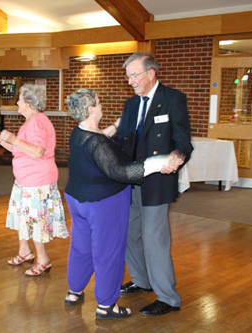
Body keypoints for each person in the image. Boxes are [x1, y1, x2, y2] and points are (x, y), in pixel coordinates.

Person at [63, 89, 183, 319]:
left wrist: (119, 123)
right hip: (103, 202)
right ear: (90, 109)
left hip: (77, 199)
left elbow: (99, 137)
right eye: (98, 103)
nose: (101, 106)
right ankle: (107, 306)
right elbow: (121, 172)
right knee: (107, 252)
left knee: (81, 247)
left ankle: (74, 292)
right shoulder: (98, 143)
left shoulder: (79, 132)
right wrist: (159, 163)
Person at [115, 52, 193, 316]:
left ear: (150, 73)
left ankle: (169, 298)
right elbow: (123, 141)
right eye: (128, 76)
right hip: (131, 179)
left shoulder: (172, 99)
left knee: (153, 239)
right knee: (127, 232)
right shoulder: (131, 105)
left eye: (134, 75)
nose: (130, 81)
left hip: (157, 181)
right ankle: (142, 280)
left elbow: (183, 140)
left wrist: (178, 156)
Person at [0, 84, 69, 276]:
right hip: (25, 181)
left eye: (19, 98)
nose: (17, 102)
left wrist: (13, 139)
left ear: (29, 102)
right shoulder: (31, 121)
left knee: (35, 221)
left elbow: (38, 152)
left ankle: (43, 260)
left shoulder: (38, 122)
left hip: (37, 181)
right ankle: (24, 251)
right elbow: (18, 149)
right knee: (22, 217)